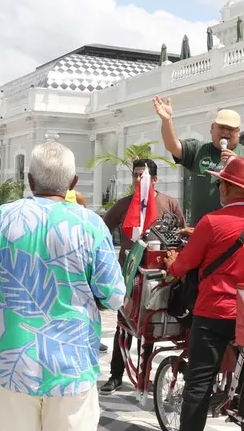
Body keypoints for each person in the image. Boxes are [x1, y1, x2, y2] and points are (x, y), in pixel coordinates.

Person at [0, 142, 125, 431]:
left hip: (13, 361)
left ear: (29, 181)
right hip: (72, 367)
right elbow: (113, 295)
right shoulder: (90, 224)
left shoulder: (2, 218)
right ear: (72, 183)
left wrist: (7, 297)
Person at [162, 157, 244, 431]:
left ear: (225, 187)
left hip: (214, 313)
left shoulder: (211, 222)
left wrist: (171, 264)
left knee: (198, 384)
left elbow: (183, 265)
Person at [99, 159, 184, 395]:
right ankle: (116, 375)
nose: (138, 180)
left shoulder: (169, 203)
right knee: (123, 325)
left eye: (143, 175)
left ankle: (149, 378)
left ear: (154, 179)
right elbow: (102, 229)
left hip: (161, 276)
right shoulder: (125, 204)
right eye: (135, 175)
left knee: (154, 327)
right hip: (130, 277)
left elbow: (181, 235)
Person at [152, 96, 244, 225]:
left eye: (230, 129)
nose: (225, 132)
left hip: (236, 229)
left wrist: (238, 164)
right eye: (221, 127)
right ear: (212, 128)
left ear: (238, 132)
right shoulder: (199, 149)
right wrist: (167, 120)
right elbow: (173, 146)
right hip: (201, 227)